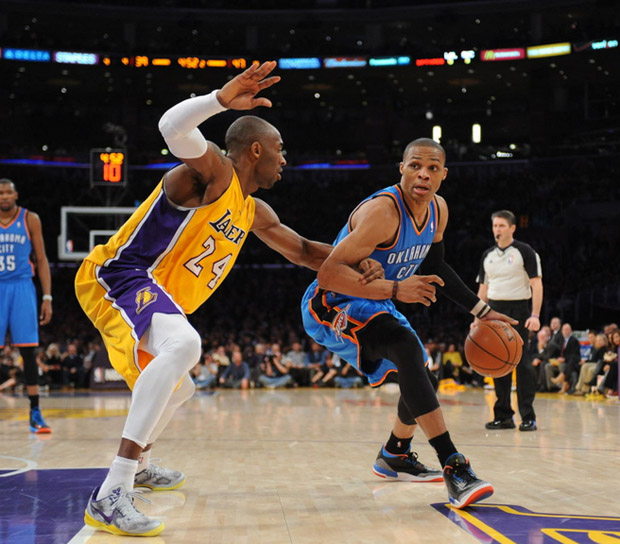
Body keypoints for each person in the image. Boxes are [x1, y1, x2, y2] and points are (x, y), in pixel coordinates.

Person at [74, 61, 382, 537]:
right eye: (279, 150)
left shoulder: (252, 208)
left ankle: (140, 467)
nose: (285, 159)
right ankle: (111, 493)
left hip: (149, 292)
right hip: (121, 275)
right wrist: (220, 99)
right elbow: (170, 127)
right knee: (185, 347)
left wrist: (357, 258)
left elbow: (302, 251)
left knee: (183, 387)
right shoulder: (212, 172)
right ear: (255, 149)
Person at [301, 138, 516, 509]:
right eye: (416, 165)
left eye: (433, 168)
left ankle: (395, 453)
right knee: (404, 348)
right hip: (332, 302)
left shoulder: (438, 210)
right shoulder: (384, 212)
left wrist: (482, 310)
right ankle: (454, 466)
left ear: (443, 175)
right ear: (401, 168)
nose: (424, 174)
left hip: (377, 300)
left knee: (423, 376)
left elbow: (435, 267)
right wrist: (397, 288)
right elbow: (328, 274)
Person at [476, 209, 543, 432]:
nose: (497, 229)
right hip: (493, 310)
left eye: (502, 226)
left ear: (512, 228)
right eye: (495, 225)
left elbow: (536, 284)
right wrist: (477, 317)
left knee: (522, 364)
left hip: (519, 310)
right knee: (498, 364)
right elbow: (483, 289)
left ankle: (528, 416)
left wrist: (535, 315)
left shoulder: (525, 251)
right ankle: (503, 415)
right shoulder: (487, 255)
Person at [0, 178, 53, 433]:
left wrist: (47, 297)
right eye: (0, 193)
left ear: (16, 194)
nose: (4, 196)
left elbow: (41, 260)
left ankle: (35, 412)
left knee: (29, 351)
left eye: (8, 192)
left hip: (22, 286)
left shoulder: (30, 218)